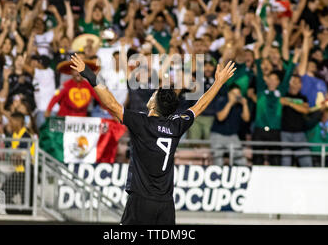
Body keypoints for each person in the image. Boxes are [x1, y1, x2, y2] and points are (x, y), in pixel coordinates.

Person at [70, 53, 236, 225]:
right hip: (165, 204)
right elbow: (199, 106)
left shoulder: (142, 123)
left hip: (141, 201)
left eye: (154, 94)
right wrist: (218, 82)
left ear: (154, 103)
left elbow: (112, 104)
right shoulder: (177, 125)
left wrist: (87, 73)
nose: (151, 94)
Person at [210, 84, 250, 166]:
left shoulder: (240, 105)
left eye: (238, 94)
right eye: (234, 94)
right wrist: (230, 104)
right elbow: (220, 118)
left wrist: (245, 104)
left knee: (242, 161)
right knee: (218, 162)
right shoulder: (221, 101)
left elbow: (246, 119)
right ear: (228, 94)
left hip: (232, 136)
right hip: (218, 135)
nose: (236, 96)